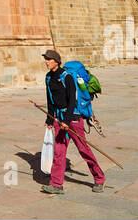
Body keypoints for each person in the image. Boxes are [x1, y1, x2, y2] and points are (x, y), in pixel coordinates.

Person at [41, 48, 105, 194]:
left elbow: (72, 101)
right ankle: (56, 184)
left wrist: (67, 120)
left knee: (84, 150)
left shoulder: (67, 77)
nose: (46, 62)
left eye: (49, 59)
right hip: (58, 119)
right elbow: (50, 99)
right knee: (59, 153)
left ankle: (99, 178)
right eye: (45, 59)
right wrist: (49, 118)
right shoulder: (48, 78)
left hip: (73, 119)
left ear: (56, 61)